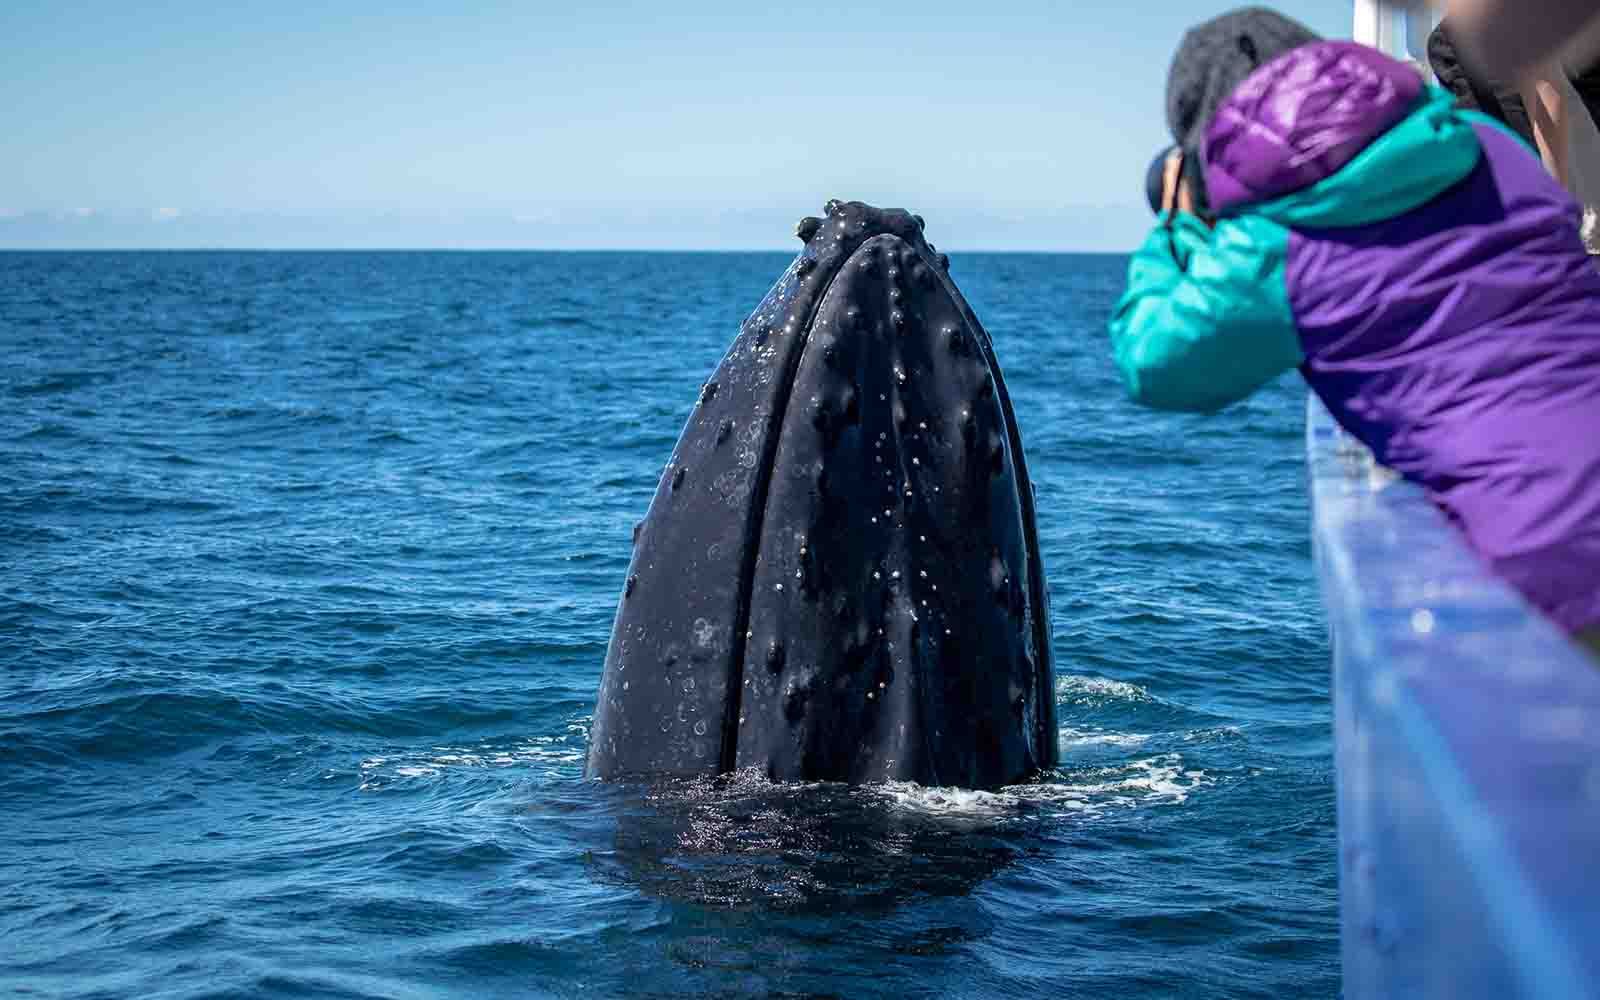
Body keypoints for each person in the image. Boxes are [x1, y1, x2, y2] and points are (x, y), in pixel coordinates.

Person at [1110, 7, 1600, 649]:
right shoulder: (1486, 145)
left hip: (1563, 559)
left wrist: (1178, 223)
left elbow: (1153, 362)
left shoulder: (1274, 245)